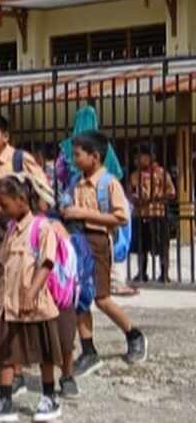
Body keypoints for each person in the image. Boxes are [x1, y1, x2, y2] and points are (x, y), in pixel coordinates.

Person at [0, 175, 64, 423]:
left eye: (4, 205)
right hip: (10, 304)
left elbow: (46, 263)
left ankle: (49, 397)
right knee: (6, 353)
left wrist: (32, 292)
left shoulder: (41, 227)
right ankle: (5, 400)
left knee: (44, 353)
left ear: (21, 199)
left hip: (35, 305)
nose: (1, 211)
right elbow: (4, 262)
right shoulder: (12, 229)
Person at [64, 132, 147, 374]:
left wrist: (82, 214)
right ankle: (88, 351)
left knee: (101, 298)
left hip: (99, 242)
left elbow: (121, 217)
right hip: (77, 241)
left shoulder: (108, 183)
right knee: (79, 298)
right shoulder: (75, 183)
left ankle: (133, 333)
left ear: (95, 156)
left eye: (78, 154)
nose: (74, 159)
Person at [0, 113, 50, 306]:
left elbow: (44, 192)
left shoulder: (19, 159)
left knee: (13, 275)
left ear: (5, 137)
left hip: (12, 226)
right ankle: (3, 321)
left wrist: (35, 223)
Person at [128, 143, 175, 283]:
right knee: (142, 246)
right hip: (140, 214)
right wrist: (134, 198)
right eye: (135, 156)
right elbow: (131, 192)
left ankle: (164, 273)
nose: (136, 159)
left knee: (162, 245)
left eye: (140, 156)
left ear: (151, 157)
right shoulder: (135, 175)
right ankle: (142, 273)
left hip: (158, 213)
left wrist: (156, 198)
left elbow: (171, 192)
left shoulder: (161, 173)